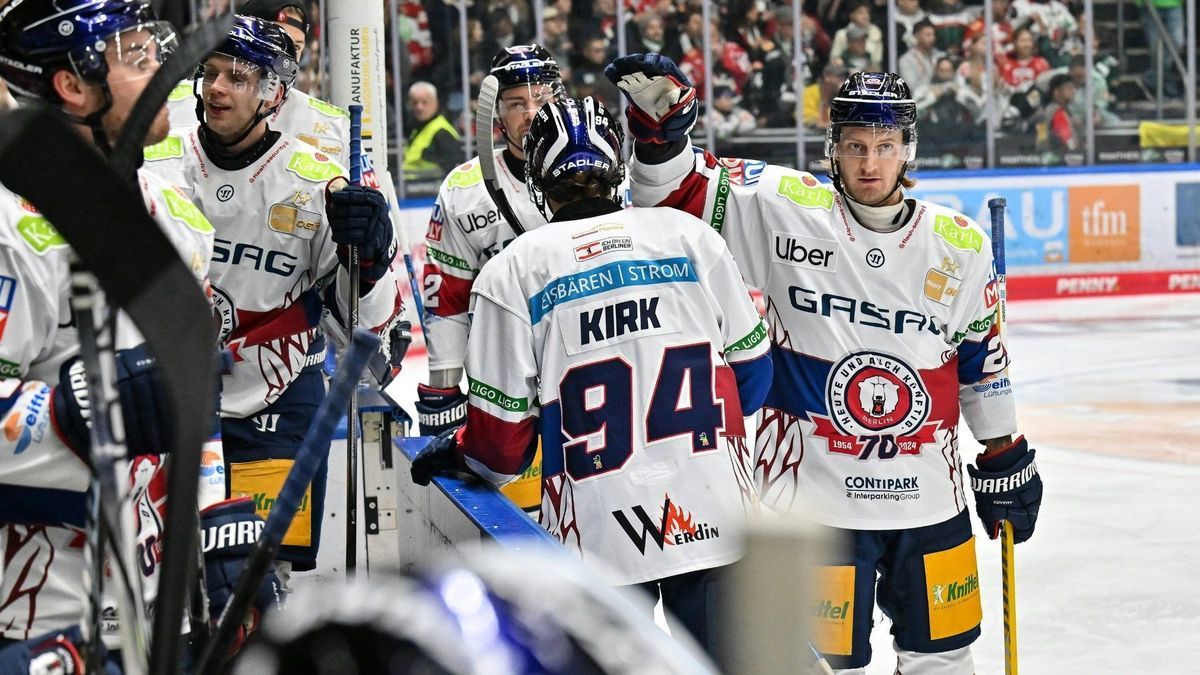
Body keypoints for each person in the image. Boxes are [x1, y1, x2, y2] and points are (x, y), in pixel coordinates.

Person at [605, 54, 1044, 673]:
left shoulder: (960, 244)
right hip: (812, 508)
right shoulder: (784, 206)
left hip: (931, 503)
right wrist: (659, 137)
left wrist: (1003, 453)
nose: (870, 163)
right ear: (832, 148)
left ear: (908, 150)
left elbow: (982, 364)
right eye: (856, 145)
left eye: (885, 146)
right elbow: (672, 197)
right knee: (812, 665)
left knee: (944, 661)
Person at [411, 96, 772, 658]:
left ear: (537, 178)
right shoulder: (689, 237)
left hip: (595, 539)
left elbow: (500, 451)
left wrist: (459, 450)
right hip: (715, 517)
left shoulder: (512, 272)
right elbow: (753, 378)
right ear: (618, 166)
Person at [0, 0, 276, 666]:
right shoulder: (10, 233)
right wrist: (79, 408)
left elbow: (191, 397)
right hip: (43, 616)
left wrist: (216, 520)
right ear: (72, 85)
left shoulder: (172, 211)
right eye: (134, 53)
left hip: (163, 600)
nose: (163, 65)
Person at [143, 16, 404, 582]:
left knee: (257, 581)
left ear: (272, 94)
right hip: (168, 401)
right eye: (209, 73)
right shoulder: (157, 166)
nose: (215, 89)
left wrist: (371, 256)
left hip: (278, 401)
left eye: (236, 77)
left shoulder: (317, 181)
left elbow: (370, 318)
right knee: (175, 578)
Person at [416, 44, 563, 436]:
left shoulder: (598, 171)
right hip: (502, 377)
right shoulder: (464, 189)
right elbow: (446, 297)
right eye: (516, 103)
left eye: (541, 99)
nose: (531, 114)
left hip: (582, 363)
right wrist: (442, 387)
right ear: (496, 113)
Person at [167, 0, 351, 166]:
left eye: (295, 47)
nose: (286, 60)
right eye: (274, 42)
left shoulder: (333, 125)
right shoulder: (173, 103)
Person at [403, 80, 461, 181]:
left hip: (431, 190)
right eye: (415, 102)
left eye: (424, 102)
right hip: (412, 189)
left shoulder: (442, 132)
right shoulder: (417, 128)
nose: (419, 107)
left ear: (435, 103)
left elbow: (454, 169)